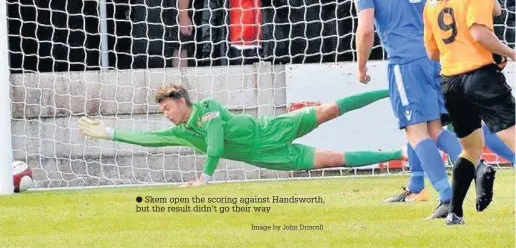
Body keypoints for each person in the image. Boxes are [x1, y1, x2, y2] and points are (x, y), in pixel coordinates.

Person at [384, 0, 513, 204]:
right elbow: (493, 11)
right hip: (477, 59)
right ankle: (419, 183)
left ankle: (457, 180)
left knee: (428, 124)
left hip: (449, 65)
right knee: (433, 123)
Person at [78, 83, 405, 187]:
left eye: (166, 109)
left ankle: (390, 90)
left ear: (181, 102)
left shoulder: (208, 109)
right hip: (266, 155)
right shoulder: (183, 131)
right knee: (334, 159)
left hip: (272, 128)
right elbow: (150, 139)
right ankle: (404, 153)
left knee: (329, 109)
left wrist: (204, 178)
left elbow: (216, 144)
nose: (165, 115)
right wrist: (110, 133)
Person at [353, 0, 463, 219]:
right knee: (436, 129)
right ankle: (476, 167)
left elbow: (365, 31)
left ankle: (446, 195)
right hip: (434, 59)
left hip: (405, 62)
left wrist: (361, 66)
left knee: (416, 132)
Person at [423, 0, 516, 225]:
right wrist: (509, 52)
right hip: (481, 77)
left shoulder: (432, 2)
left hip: (451, 82)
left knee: (470, 150)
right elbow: (479, 32)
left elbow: (432, 53)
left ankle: (455, 212)